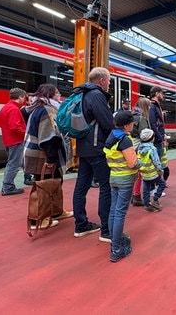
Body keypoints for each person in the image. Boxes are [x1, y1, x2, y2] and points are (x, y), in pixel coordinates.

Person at [72, 67, 114, 239]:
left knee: (81, 187)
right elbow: (107, 123)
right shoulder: (96, 95)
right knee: (106, 187)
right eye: (109, 81)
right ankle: (106, 231)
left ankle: (81, 225)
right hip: (97, 149)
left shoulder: (81, 94)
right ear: (102, 80)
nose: (109, 84)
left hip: (84, 148)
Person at [23, 83, 73, 228]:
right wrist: (52, 159)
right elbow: (48, 137)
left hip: (37, 153)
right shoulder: (47, 110)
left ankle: (55, 211)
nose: (59, 96)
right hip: (44, 155)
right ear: (50, 95)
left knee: (55, 182)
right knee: (44, 186)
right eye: (57, 93)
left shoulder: (37, 108)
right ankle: (38, 218)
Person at [103, 111, 142, 262]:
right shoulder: (125, 140)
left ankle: (114, 241)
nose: (133, 125)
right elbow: (132, 163)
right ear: (126, 125)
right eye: (132, 123)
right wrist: (142, 163)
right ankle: (116, 250)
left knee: (113, 211)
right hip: (125, 180)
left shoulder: (112, 137)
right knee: (120, 213)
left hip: (114, 178)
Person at [0, 88, 28, 196]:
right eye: (24, 98)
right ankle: (8, 187)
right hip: (16, 140)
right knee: (14, 164)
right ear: (20, 97)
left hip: (8, 140)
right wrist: (26, 134)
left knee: (11, 163)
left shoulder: (5, 107)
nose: (24, 100)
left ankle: (6, 186)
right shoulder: (14, 109)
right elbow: (15, 126)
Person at [137, 128, 166, 212]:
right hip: (153, 173)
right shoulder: (152, 149)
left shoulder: (139, 148)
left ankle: (147, 204)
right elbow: (156, 162)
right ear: (152, 138)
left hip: (144, 173)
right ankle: (155, 199)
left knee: (146, 188)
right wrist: (160, 171)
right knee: (162, 184)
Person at [130, 97, 151, 206]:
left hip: (131, 145)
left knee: (133, 172)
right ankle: (137, 196)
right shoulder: (142, 118)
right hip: (139, 147)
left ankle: (133, 195)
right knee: (140, 173)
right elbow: (144, 135)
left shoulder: (131, 115)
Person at [148, 86, 170, 184]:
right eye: (162, 93)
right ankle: (155, 186)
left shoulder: (156, 106)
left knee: (158, 162)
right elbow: (153, 124)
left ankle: (157, 184)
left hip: (158, 139)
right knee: (156, 163)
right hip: (157, 141)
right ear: (157, 93)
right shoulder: (153, 106)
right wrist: (161, 138)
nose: (163, 95)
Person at [20, 94, 34, 185]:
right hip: (27, 137)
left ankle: (30, 176)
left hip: (31, 137)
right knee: (26, 158)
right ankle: (27, 177)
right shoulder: (25, 110)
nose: (33, 102)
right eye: (31, 100)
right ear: (27, 101)